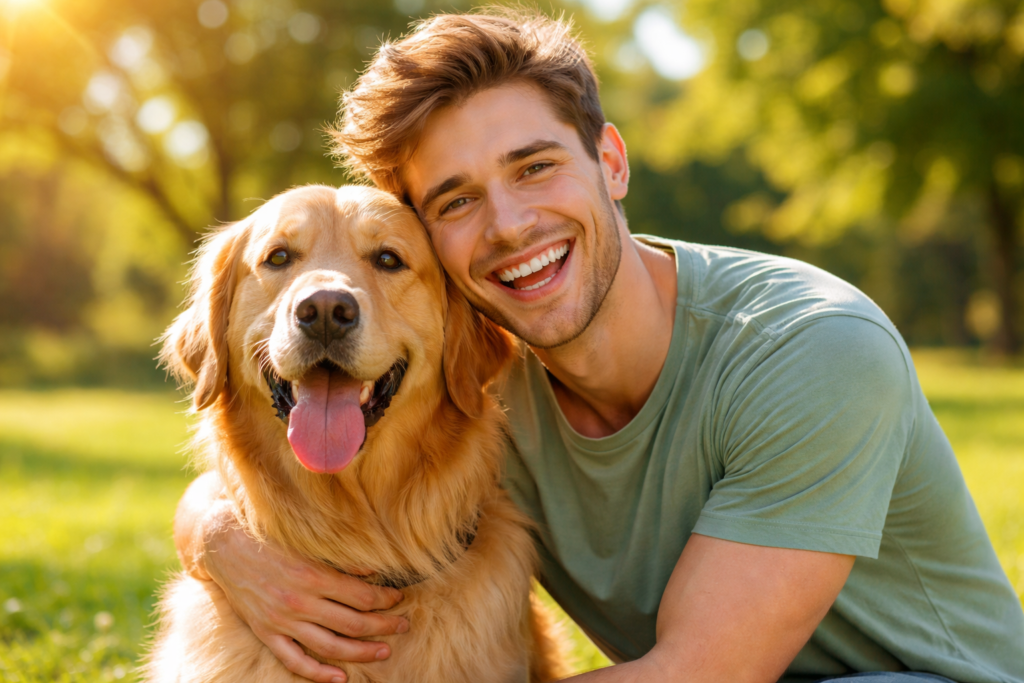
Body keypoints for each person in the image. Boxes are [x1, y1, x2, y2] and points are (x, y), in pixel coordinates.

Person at [172, 10, 1024, 683]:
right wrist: (214, 532)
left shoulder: (814, 349)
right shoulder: (471, 381)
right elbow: (295, 461)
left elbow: (698, 674)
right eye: (458, 200)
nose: (510, 225)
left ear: (611, 161)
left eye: (536, 167)